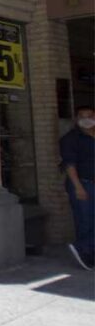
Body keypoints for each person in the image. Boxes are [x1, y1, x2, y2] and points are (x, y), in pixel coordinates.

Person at [60, 105, 95, 271]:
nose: (86, 119)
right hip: (82, 184)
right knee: (85, 220)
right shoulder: (70, 139)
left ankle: (90, 250)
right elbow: (69, 164)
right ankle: (84, 251)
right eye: (83, 116)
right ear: (76, 119)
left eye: (90, 115)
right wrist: (78, 187)